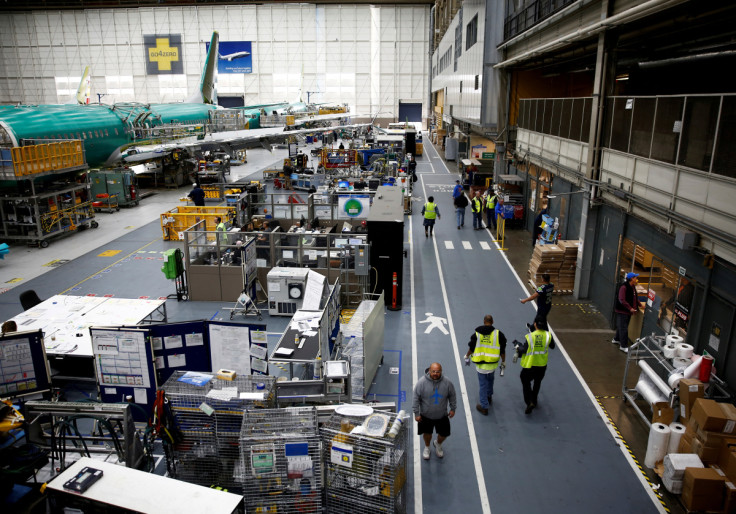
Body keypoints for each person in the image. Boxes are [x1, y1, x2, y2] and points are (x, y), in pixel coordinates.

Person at [412, 362, 457, 460]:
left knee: (444, 434)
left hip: (442, 415)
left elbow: (452, 395)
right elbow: (416, 398)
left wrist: (453, 409)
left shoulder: (447, 383)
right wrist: (416, 413)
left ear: (441, 371)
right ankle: (427, 447)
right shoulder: (421, 383)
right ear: (429, 371)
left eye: (438, 372)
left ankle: (438, 443)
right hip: (426, 416)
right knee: (427, 433)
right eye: (433, 371)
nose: (435, 373)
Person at [464, 315, 506, 415]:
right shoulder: (498, 334)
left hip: (481, 365)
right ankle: (489, 396)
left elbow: (472, 348)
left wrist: (467, 356)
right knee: (490, 380)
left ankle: (484, 407)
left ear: (484, 321)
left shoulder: (476, 334)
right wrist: (503, 361)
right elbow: (502, 350)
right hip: (492, 364)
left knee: (482, 385)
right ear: (493, 321)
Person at [515, 318, 556, 414]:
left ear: (535, 324)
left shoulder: (530, 336)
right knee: (537, 382)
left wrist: (518, 347)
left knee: (525, 381)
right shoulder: (548, 335)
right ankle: (534, 400)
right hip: (542, 364)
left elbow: (524, 350)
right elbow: (552, 346)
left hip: (530, 364)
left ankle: (529, 402)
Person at [613, 272, 641, 353]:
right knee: (624, 328)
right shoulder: (624, 287)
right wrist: (630, 308)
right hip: (623, 311)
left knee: (622, 326)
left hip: (627, 311)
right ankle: (623, 346)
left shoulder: (632, 287)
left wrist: (639, 305)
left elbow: (634, 297)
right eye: (635, 277)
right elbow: (622, 300)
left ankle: (616, 339)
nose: (636, 279)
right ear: (632, 278)